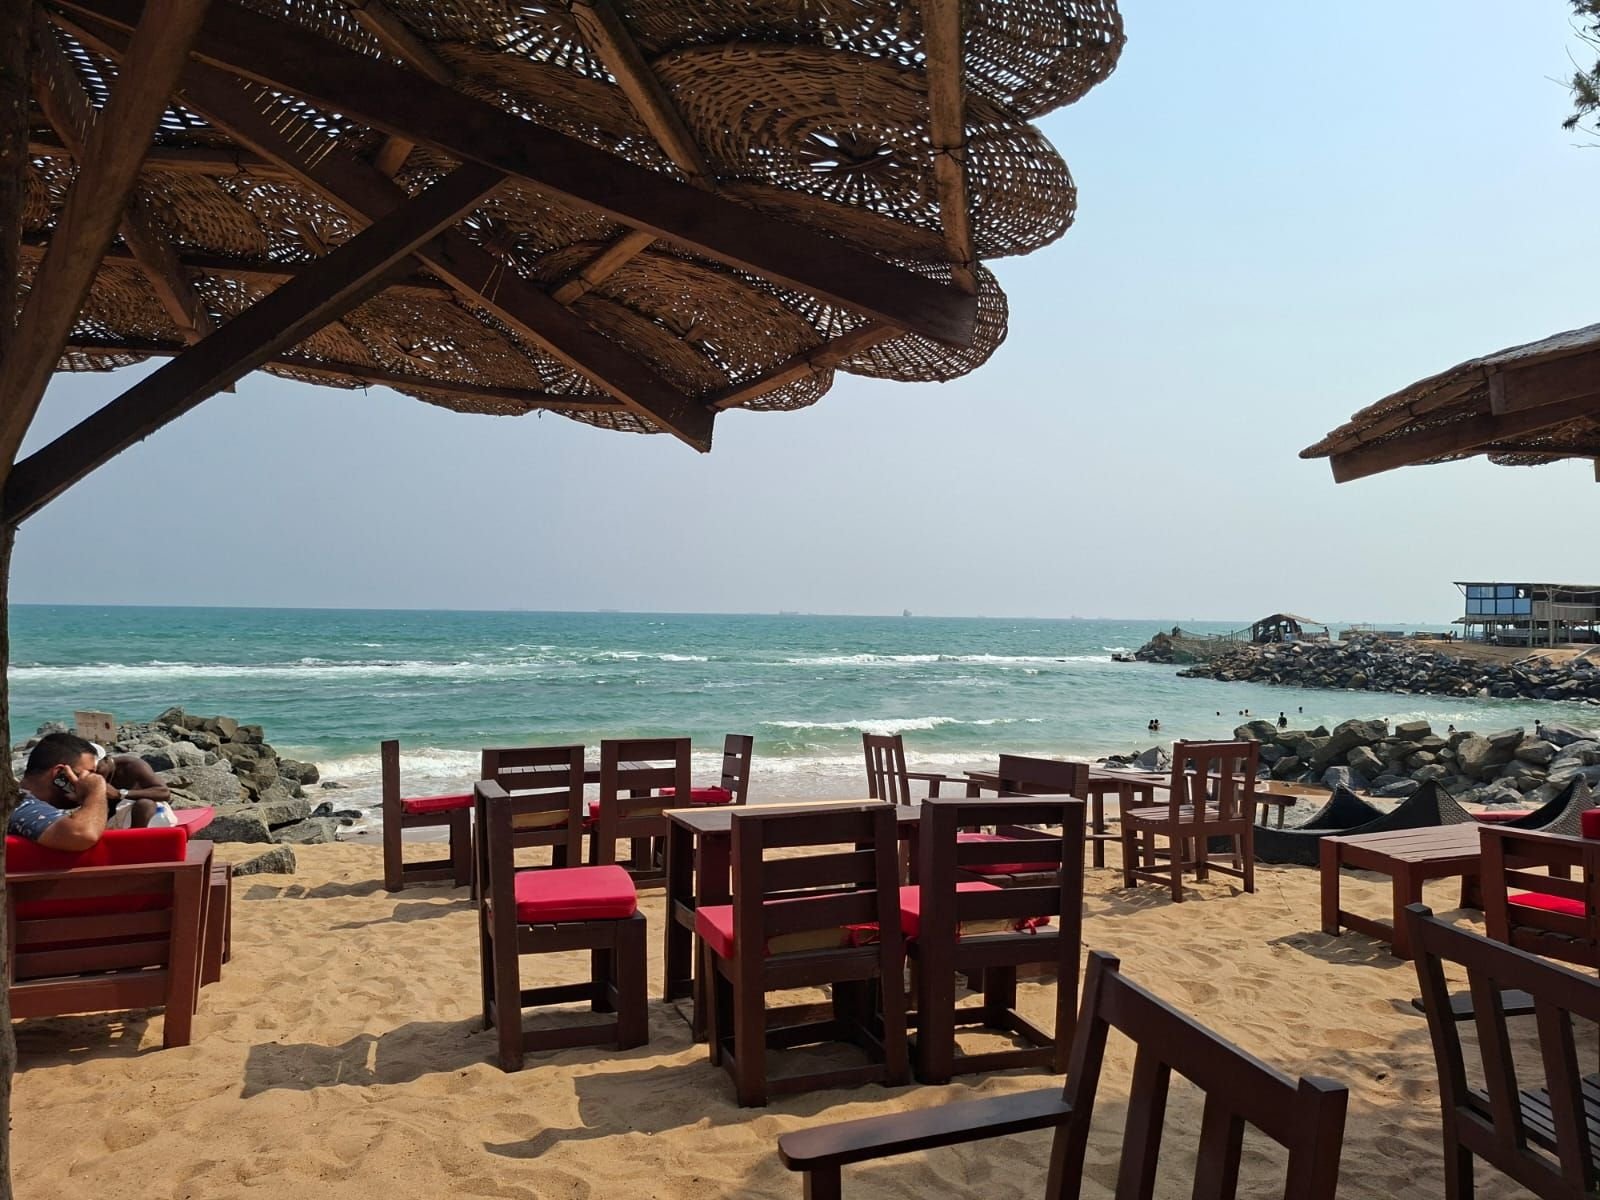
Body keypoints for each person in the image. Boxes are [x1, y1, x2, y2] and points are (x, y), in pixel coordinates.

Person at [9, 732, 111, 850]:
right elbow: (82, 835)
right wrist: (95, 791)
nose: (88, 781)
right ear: (59, 774)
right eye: (87, 774)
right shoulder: (21, 805)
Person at [92, 745, 168, 827]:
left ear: (106, 759)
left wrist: (119, 794)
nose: (93, 774)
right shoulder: (83, 775)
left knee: (145, 804)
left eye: (97, 769)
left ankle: (135, 838)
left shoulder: (132, 765)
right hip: (106, 821)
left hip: (141, 817)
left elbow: (164, 792)